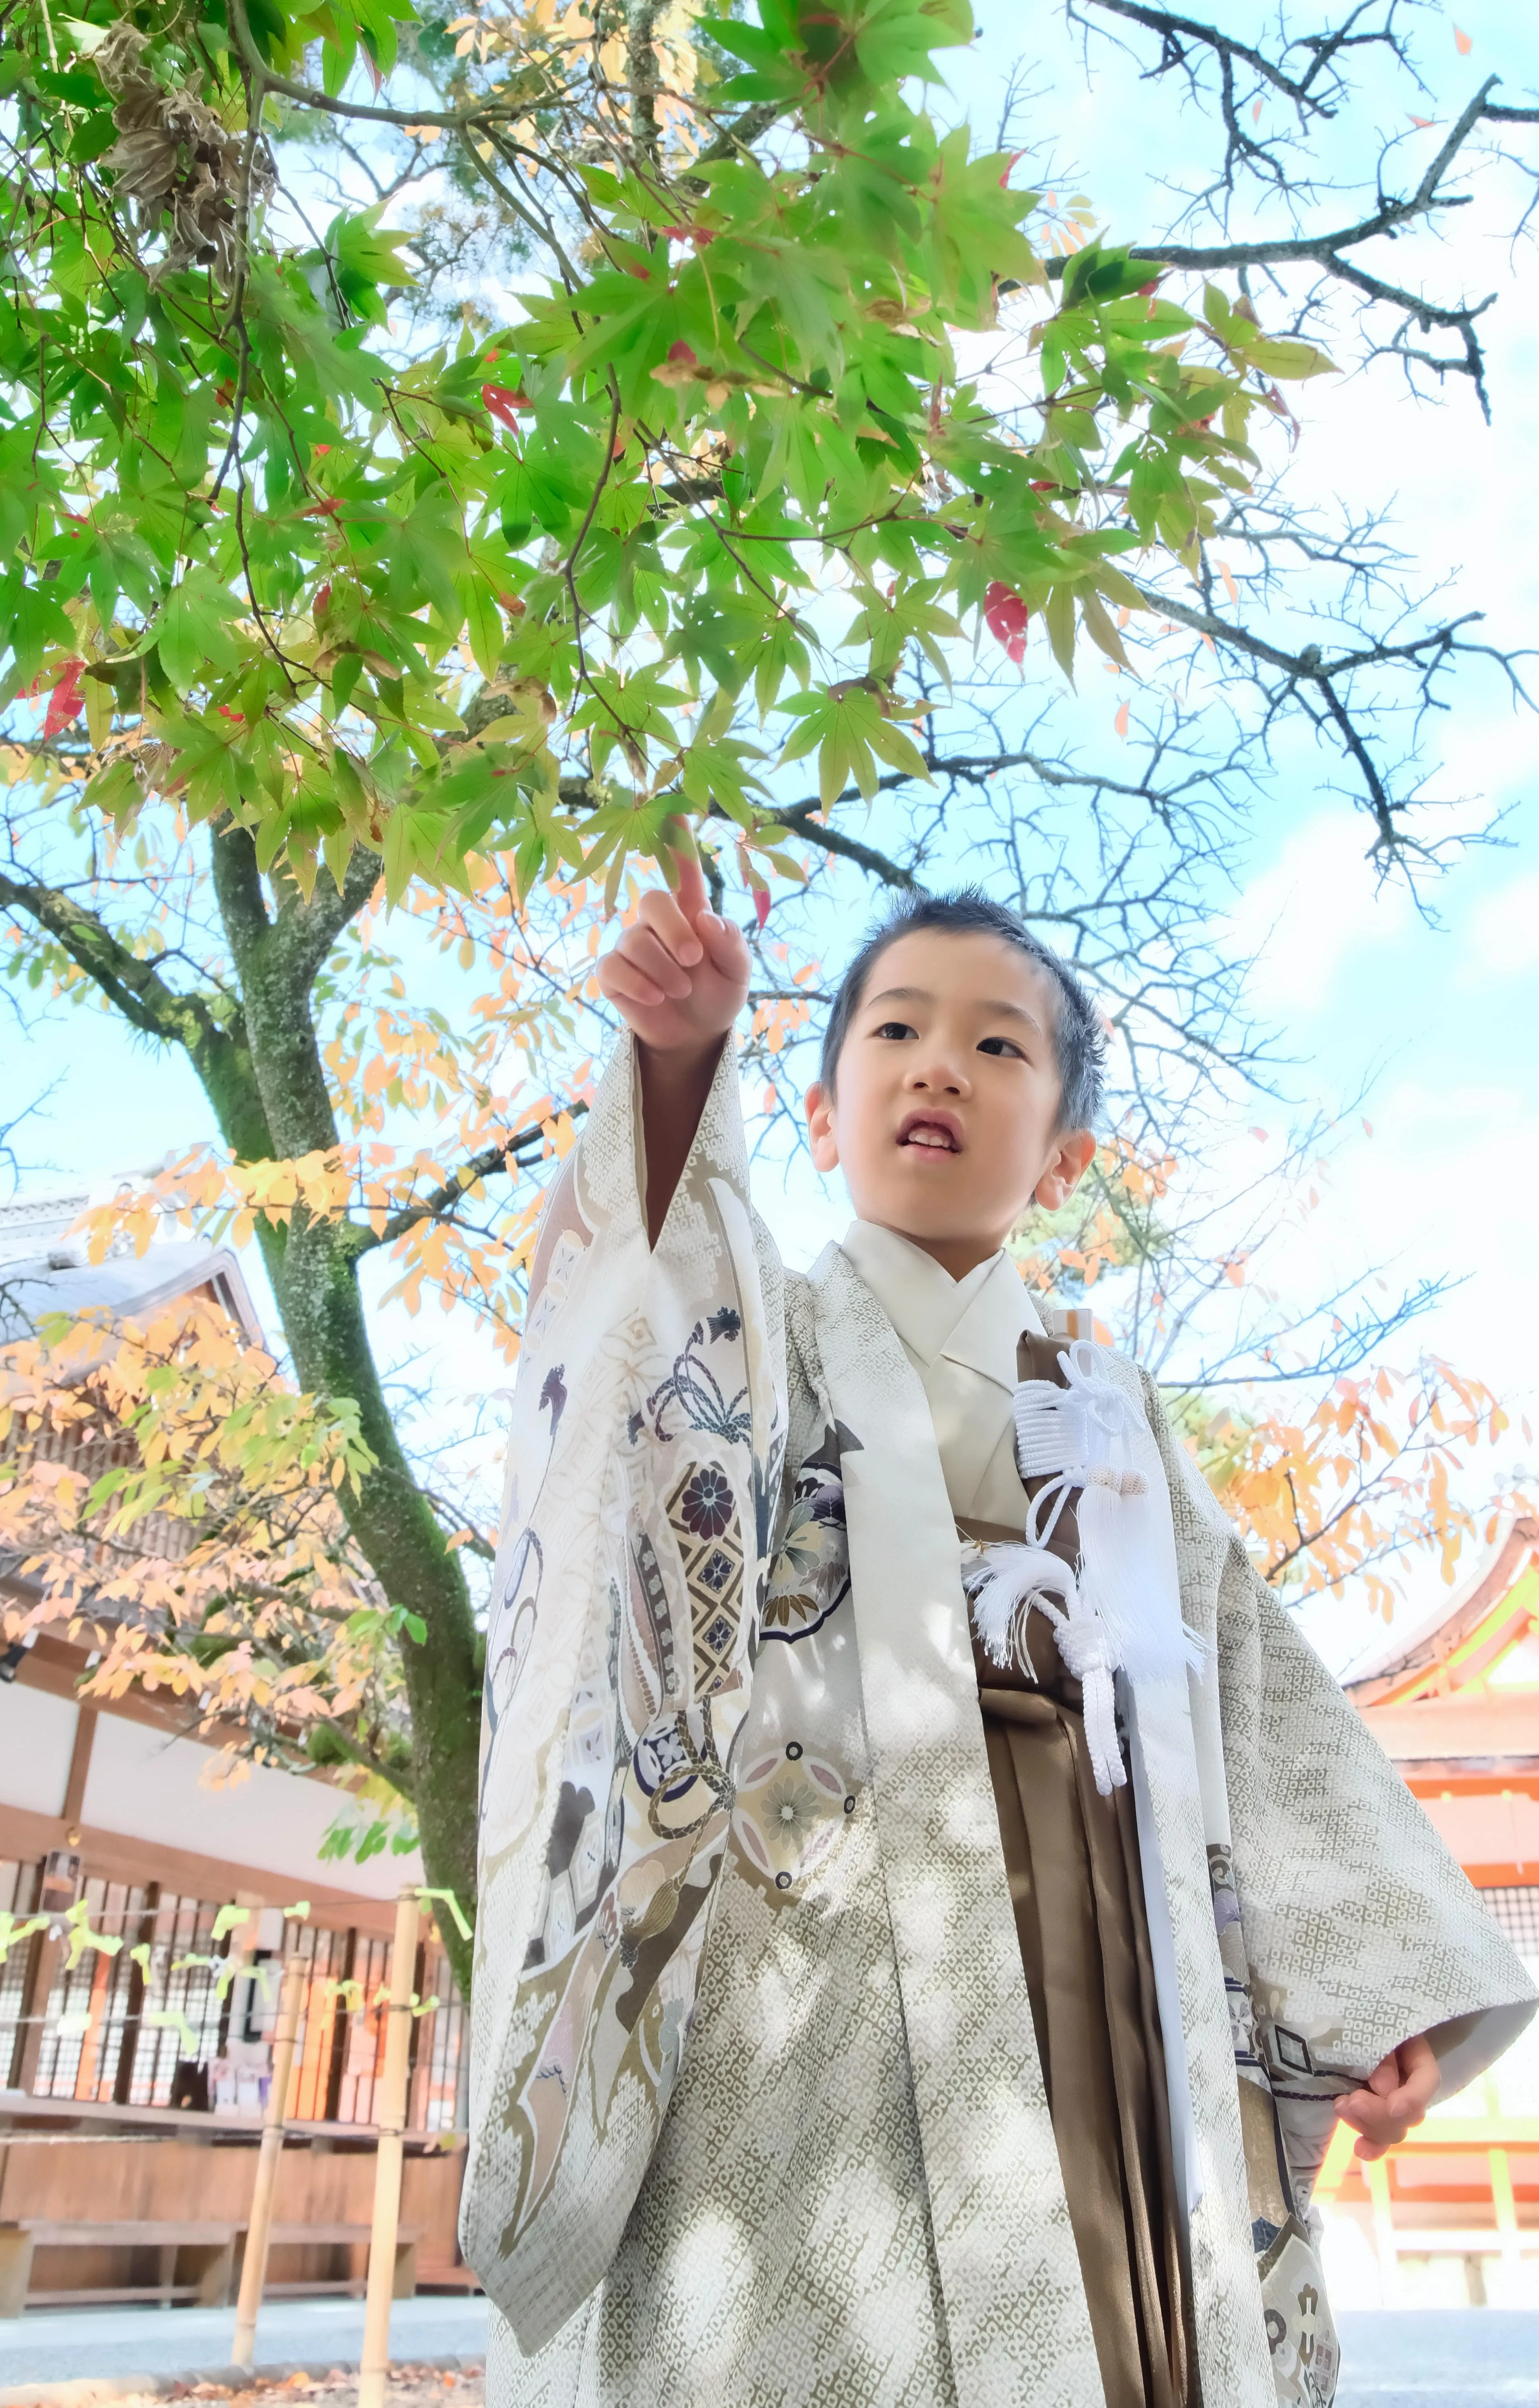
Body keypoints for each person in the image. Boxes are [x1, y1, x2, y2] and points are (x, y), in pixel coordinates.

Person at [463, 852, 1533, 2408]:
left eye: (998, 1044)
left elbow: (1252, 1702)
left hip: (1105, 1951)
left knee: (1114, 2304)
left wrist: (1369, 1981)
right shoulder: (760, 1334)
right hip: (816, 1957)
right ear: (820, 1118)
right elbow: (649, 1332)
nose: (938, 1066)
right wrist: (683, 1066)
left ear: (1067, 1154)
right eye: (892, 1033)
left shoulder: (1115, 1417)